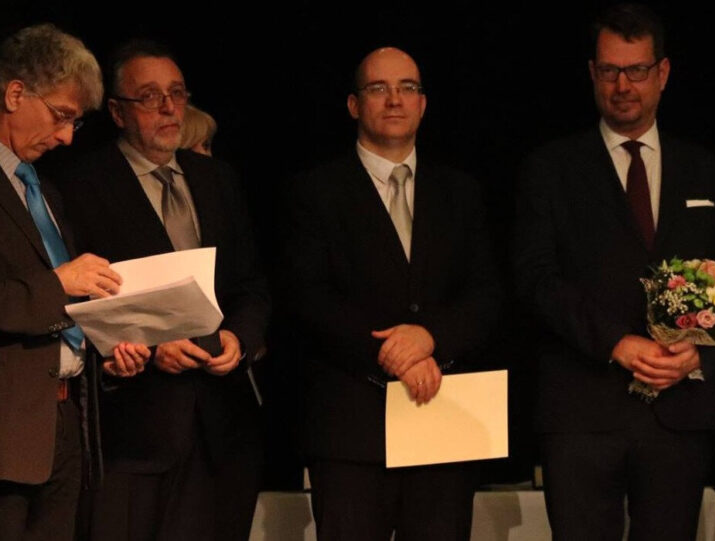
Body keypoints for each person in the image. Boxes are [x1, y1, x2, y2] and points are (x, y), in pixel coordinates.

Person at [514, 4, 715, 540]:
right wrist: (615, 343)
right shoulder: (550, 169)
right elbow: (534, 279)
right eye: (609, 71)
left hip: (679, 413)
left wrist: (701, 354)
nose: (623, 85)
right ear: (592, 73)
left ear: (662, 73)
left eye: (637, 70)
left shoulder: (708, 171)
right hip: (581, 413)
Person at [281, 46, 499, 541]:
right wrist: (394, 352)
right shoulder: (314, 191)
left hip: (443, 417)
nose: (395, 99)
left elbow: (487, 294)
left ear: (423, 103)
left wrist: (430, 338)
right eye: (379, 88)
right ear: (354, 105)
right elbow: (307, 297)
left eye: (408, 88)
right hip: (351, 429)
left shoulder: (461, 191)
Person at [57, 40, 270, 541]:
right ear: (117, 111)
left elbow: (250, 283)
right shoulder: (78, 185)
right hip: (134, 432)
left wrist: (238, 339)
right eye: (150, 96)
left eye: (176, 93)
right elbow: (76, 299)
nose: (169, 107)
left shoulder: (216, 179)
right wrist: (152, 348)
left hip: (223, 429)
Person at [0, 23, 124, 541]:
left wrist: (109, 341)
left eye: (75, 122)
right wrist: (61, 283)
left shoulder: (43, 190)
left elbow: (63, 307)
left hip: (64, 423)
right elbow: (50, 290)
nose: (67, 137)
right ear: (14, 93)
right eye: (61, 115)